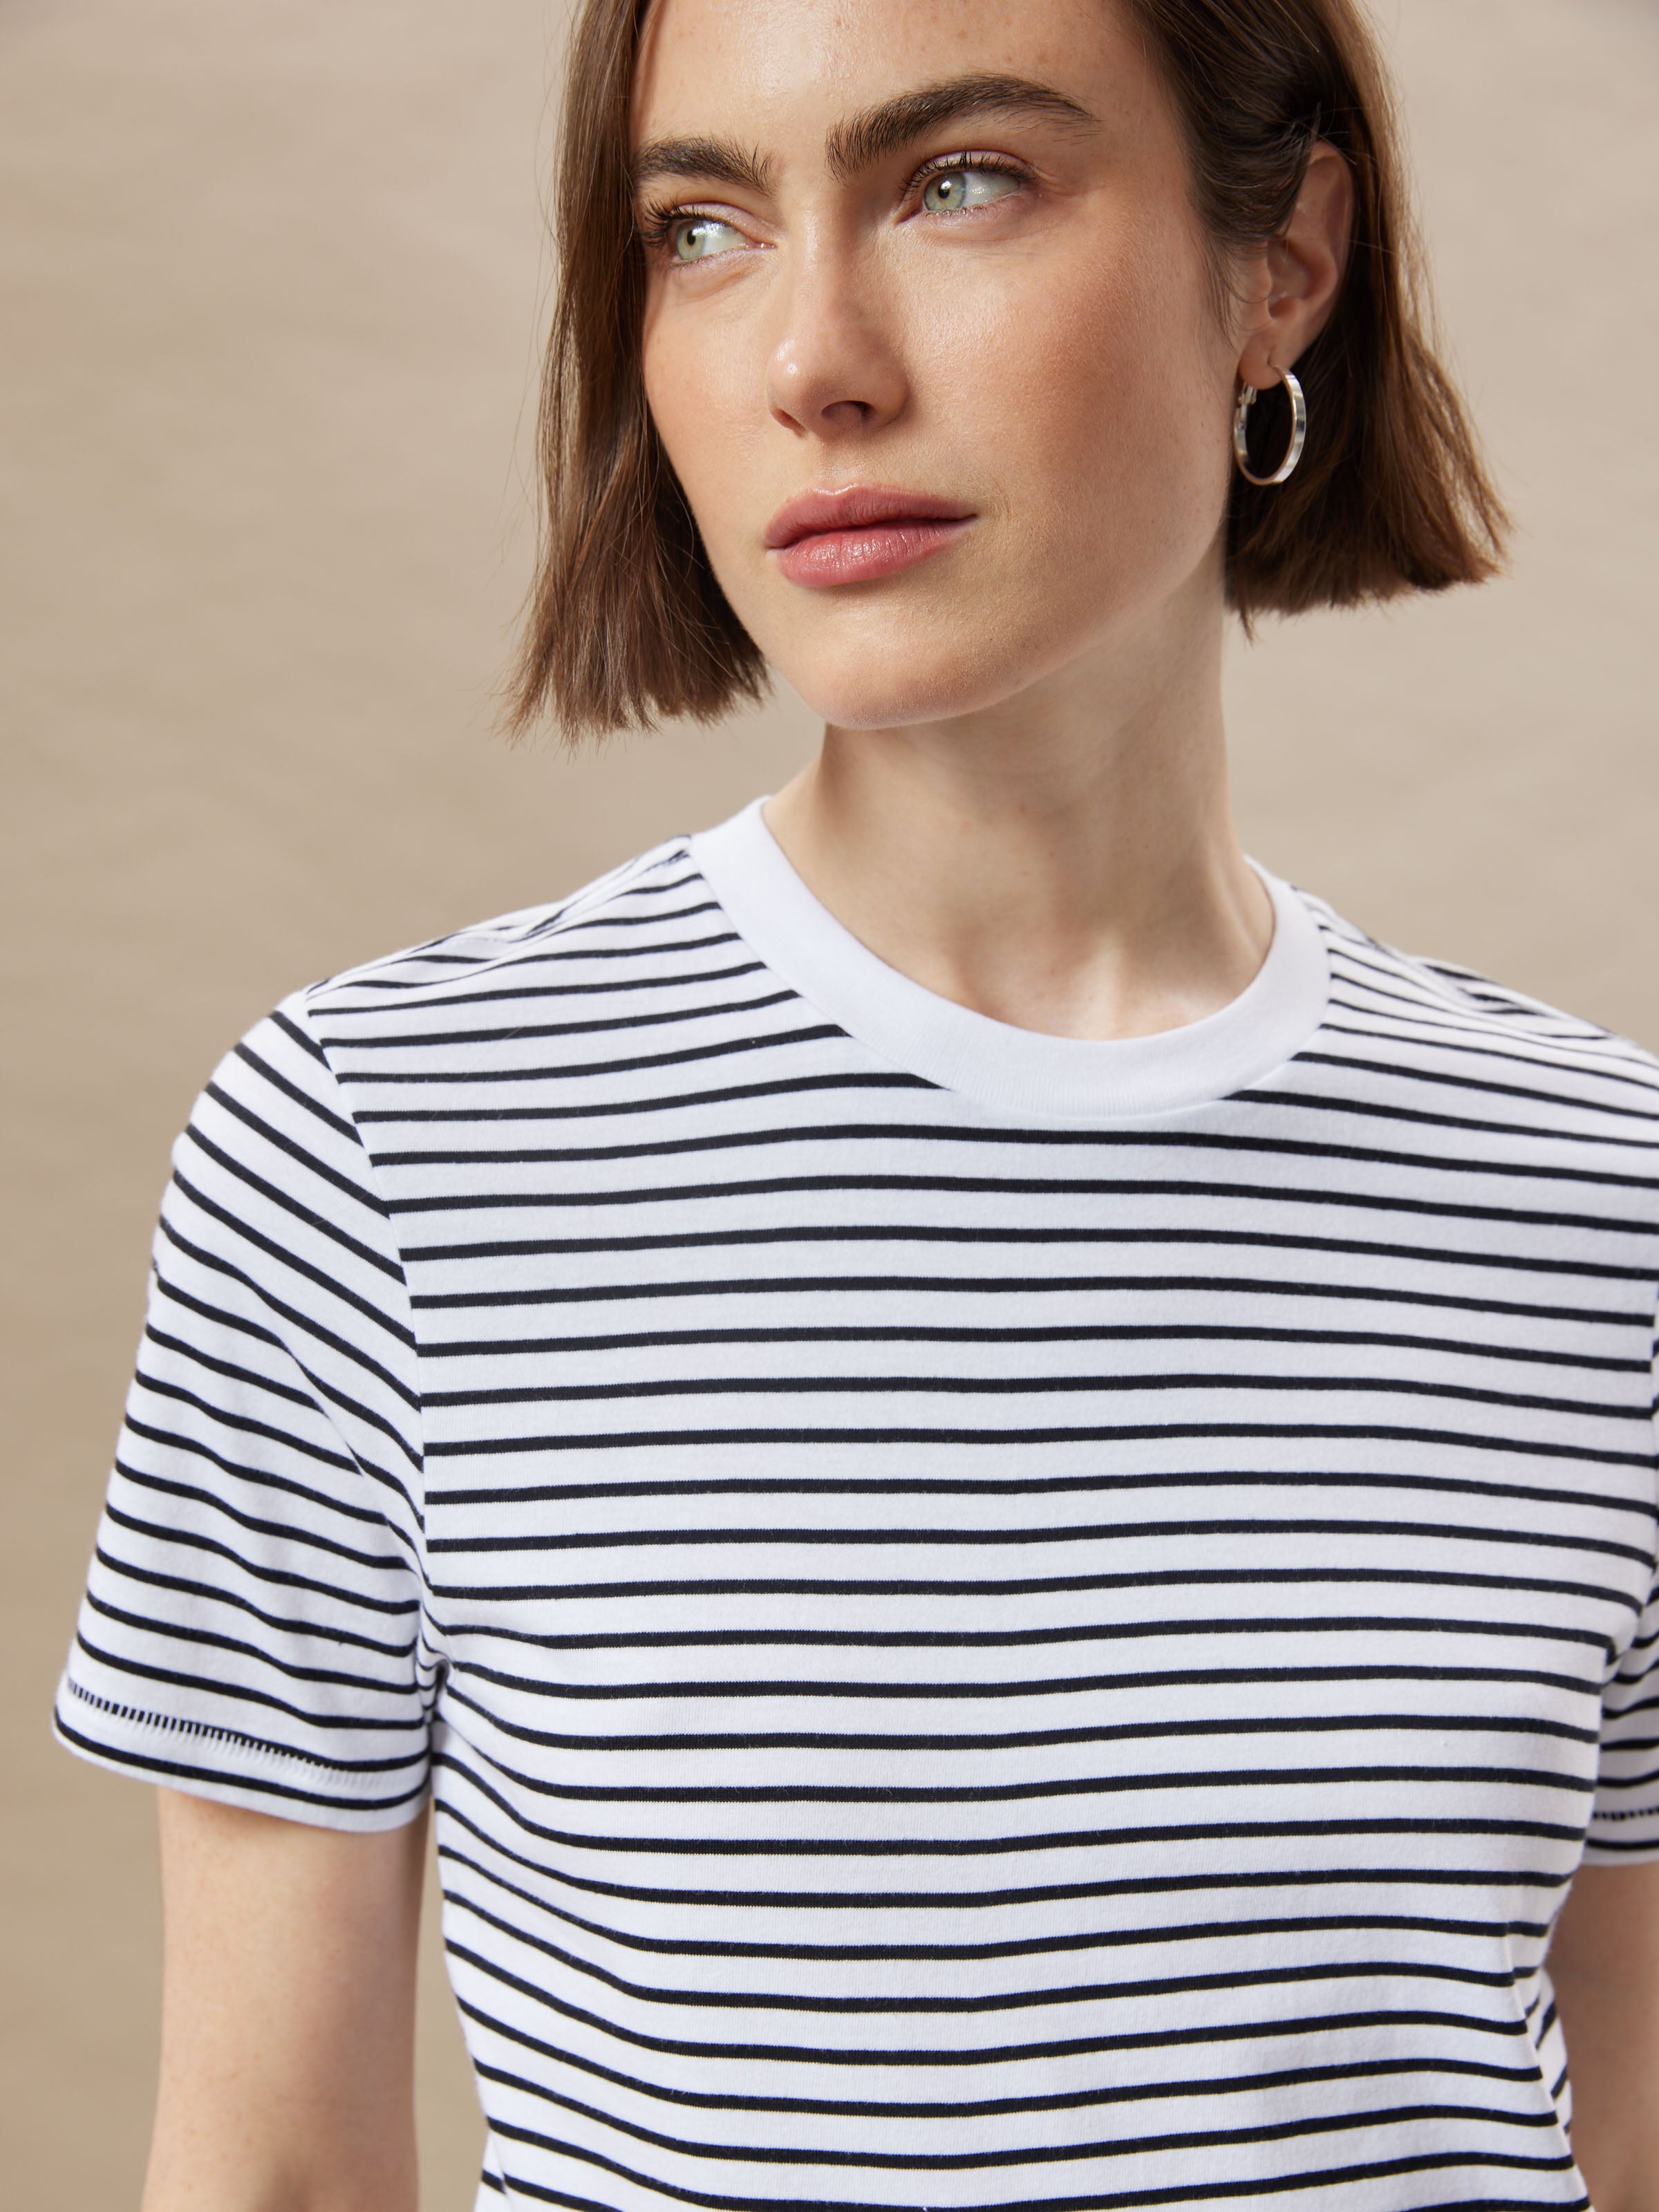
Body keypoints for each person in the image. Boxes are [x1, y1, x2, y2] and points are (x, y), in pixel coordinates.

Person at [52, 0, 1659, 2205]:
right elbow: (270, 2175)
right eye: (702, 228)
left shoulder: (1602, 1206)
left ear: (1284, 261)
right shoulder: (378, 1153)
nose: (814, 360)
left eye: (959, 183)